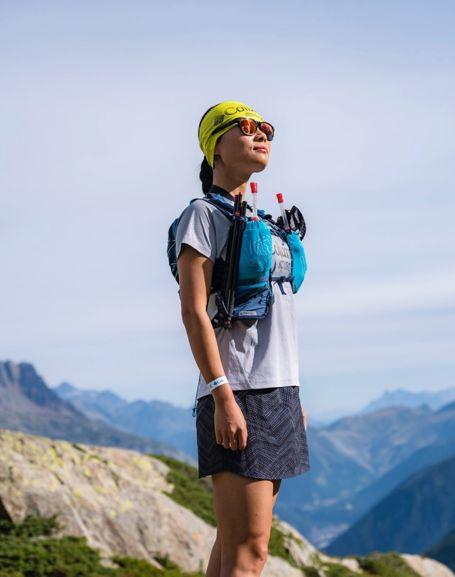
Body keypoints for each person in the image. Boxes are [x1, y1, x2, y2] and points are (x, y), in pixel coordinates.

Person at [174, 100, 310, 577]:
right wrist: (221, 394)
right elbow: (193, 312)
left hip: (275, 391)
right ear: (216, 147)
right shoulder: (201, 215)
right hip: (238, 392)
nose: (262, 134)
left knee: (241, 546)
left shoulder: (262, 221)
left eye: (266, 128)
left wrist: (292, 392)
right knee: (248, 551)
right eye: (245, 127)